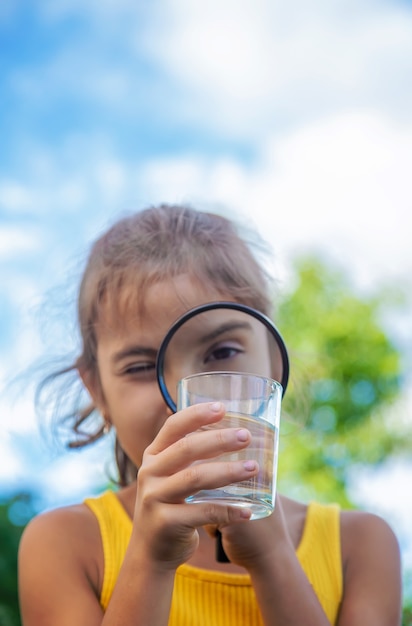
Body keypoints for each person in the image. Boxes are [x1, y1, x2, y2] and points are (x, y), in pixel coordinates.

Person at [18, 204, 402, 626]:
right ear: (97, 391)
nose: (191, 404)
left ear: (275, 361)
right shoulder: (64, 544)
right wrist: (151, 560)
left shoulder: (362, 545)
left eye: (222, 353)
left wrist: (272, 557)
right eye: (142, 367)